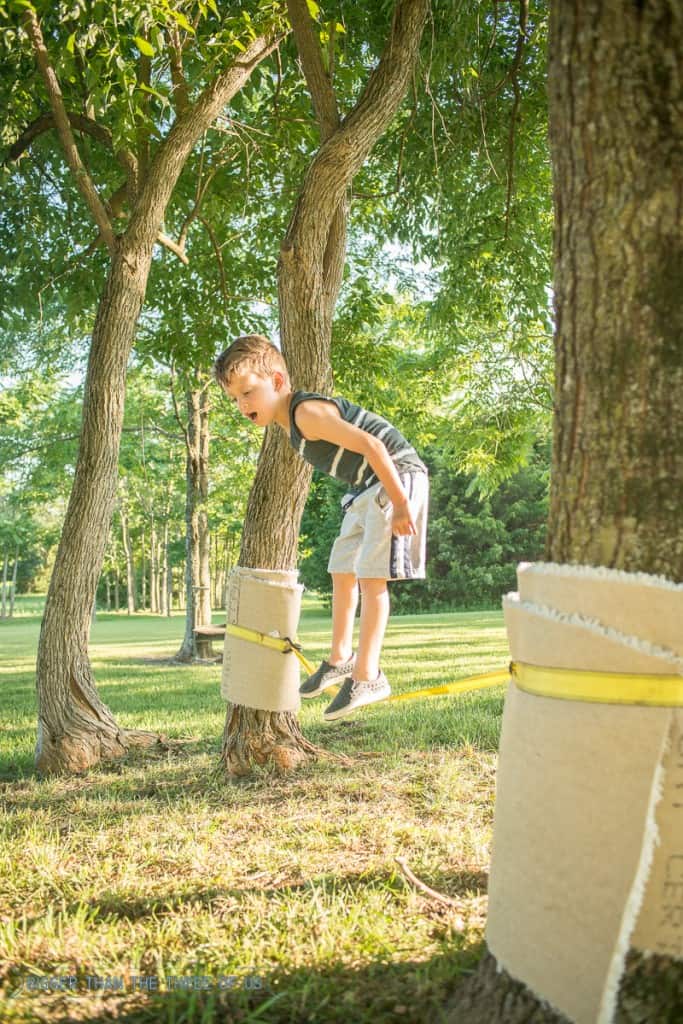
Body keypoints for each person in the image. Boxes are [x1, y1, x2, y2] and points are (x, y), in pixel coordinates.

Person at [213, 334, 429, 721]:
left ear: (278, 382)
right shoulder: (290, 424)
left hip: (395, 476)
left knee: (371, 578)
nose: (242, 405)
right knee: (341, 568)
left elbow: (375, 448)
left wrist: (399, 503)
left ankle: (368, 675)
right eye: (235, 399)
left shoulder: (305, 414)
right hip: (366, 487)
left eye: (248, 392)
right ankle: (340, 659)